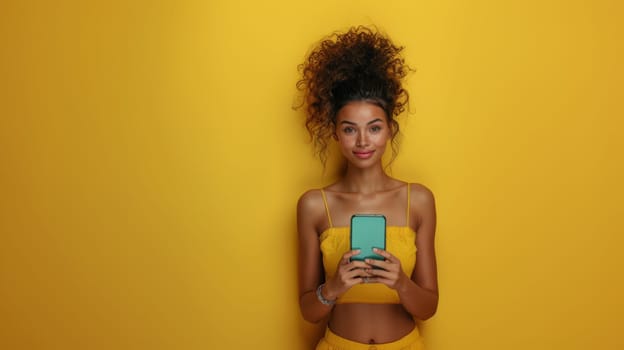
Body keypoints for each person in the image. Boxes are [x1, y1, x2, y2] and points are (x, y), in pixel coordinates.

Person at [296, 26, 439, 350]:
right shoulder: (314, 206)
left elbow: (429, 307)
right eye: (350, 129)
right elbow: (308, 311)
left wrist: (401, 283)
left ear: (390, 129)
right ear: (335, 132)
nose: (362, 141)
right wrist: (332, 288)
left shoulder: (417, 201)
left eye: (374, 128)